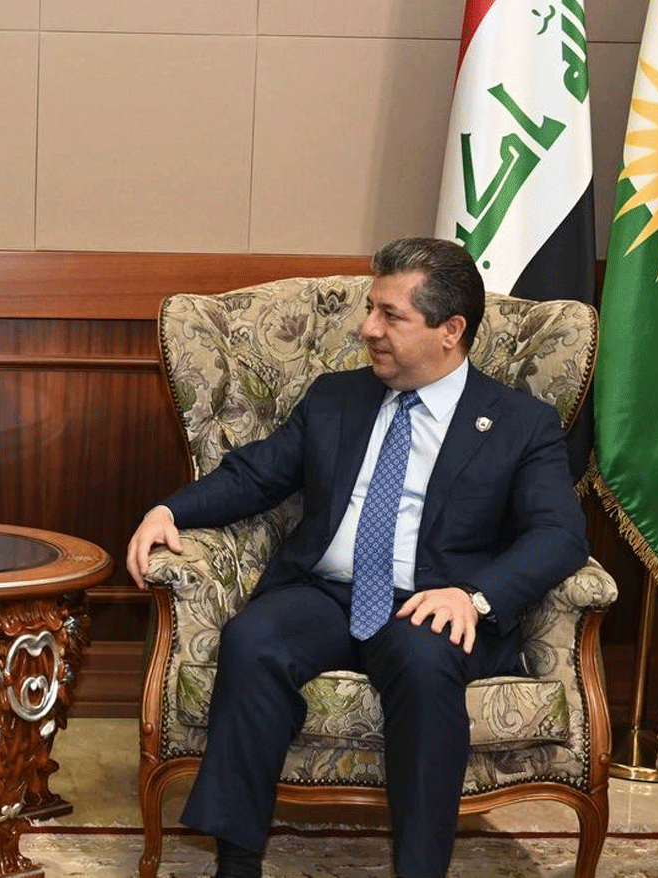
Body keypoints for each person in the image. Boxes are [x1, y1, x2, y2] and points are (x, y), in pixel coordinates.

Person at [125, 237, 587, 878]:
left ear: (450, 330)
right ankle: (236, 862)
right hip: (327, 592)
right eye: (371, 309)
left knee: (424, 667)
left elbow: (559, 535)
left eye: (390, 315)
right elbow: (257, 476)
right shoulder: (336, 397)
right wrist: (170, 510)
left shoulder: (518, 423)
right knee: (253, 639)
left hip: (434, 603)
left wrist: (473, 597)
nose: (368, 328)